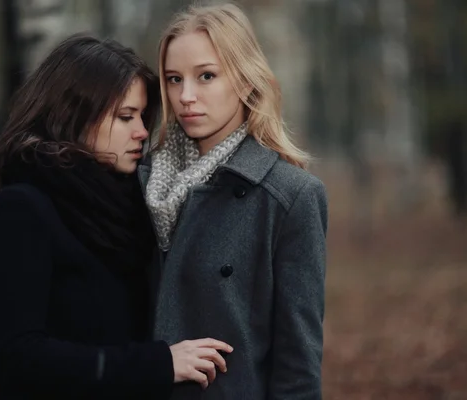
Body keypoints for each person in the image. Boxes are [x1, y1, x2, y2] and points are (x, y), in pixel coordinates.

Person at [0, 34, 232, 400]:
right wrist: (158, 364)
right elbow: (17, 357)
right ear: (73, 116)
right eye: (125, 116)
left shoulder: (135, 204)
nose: (142, 132)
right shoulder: (20, 212)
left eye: (143, 116)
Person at [139, 4, 328, 399]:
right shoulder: (139, 182)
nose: (186, 96)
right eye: (174, 79)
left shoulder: (290, 197)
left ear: (245, 80)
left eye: (206, 76)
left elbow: (297, 362)